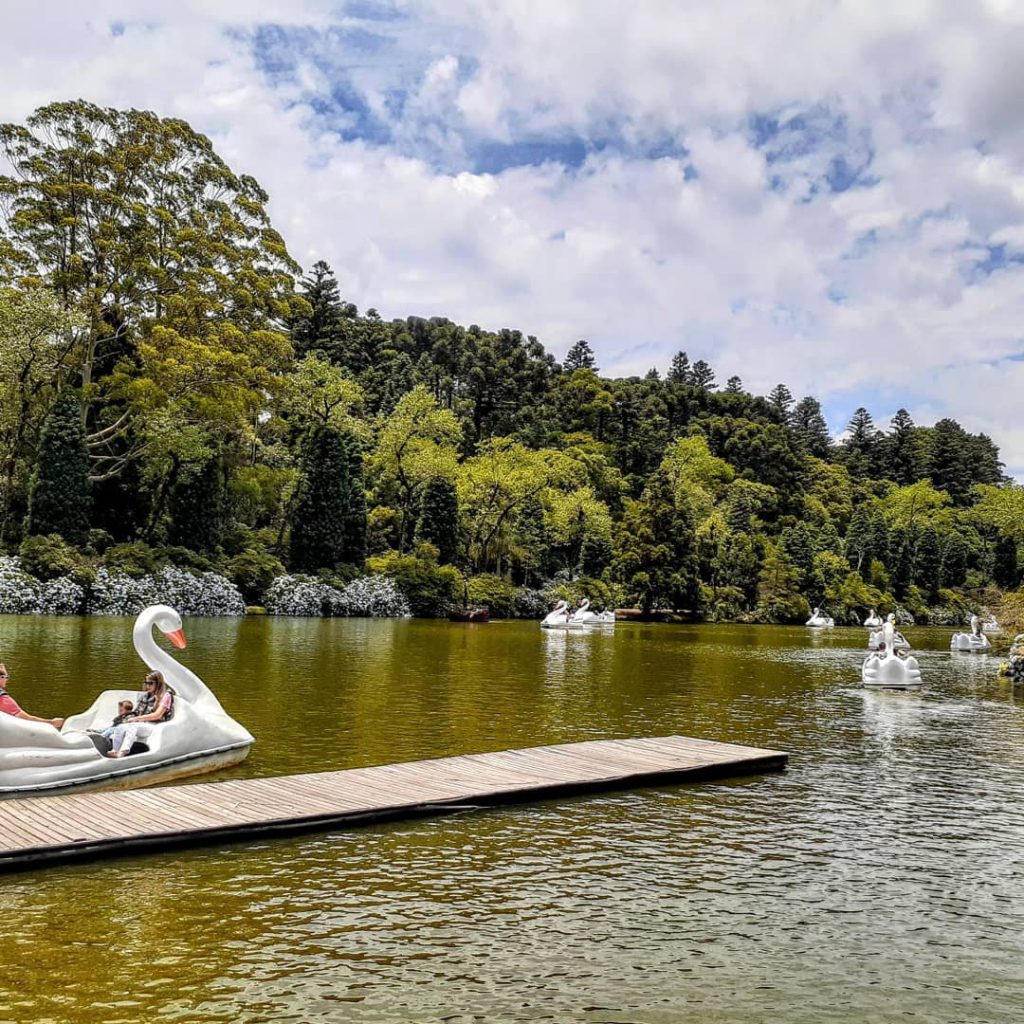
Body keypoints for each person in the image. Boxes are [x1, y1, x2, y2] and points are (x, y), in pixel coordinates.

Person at [105, 670, 175, 758]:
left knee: (133, 726)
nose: (147, 686)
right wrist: (129, 718)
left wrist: (136, 719)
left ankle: (123, 751)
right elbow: (138, 712)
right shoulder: (148, 696)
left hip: (157, 726)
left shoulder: (166, 696)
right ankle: (115, 750)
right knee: (120, 727)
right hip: (144, 725)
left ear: (158, 683)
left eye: (150, 683)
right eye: (146, 683)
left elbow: (158, 715)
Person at [0, 663, 64, 729]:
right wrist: (52, 723)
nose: (7, 680)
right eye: (6, 677)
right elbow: (27, 719)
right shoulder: (5, 700)